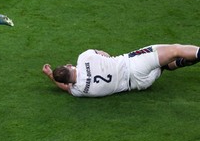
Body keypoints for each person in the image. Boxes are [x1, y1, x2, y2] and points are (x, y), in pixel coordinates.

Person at [42, 44, 200, 97]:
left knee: (165, 65)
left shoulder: (79, 91)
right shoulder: (84, 58)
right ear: (69, 66)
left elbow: (65, 87)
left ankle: (188, 60)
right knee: (174, 50)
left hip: (140, 84)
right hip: (135, 64)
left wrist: (50, 75)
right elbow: (104, 53)